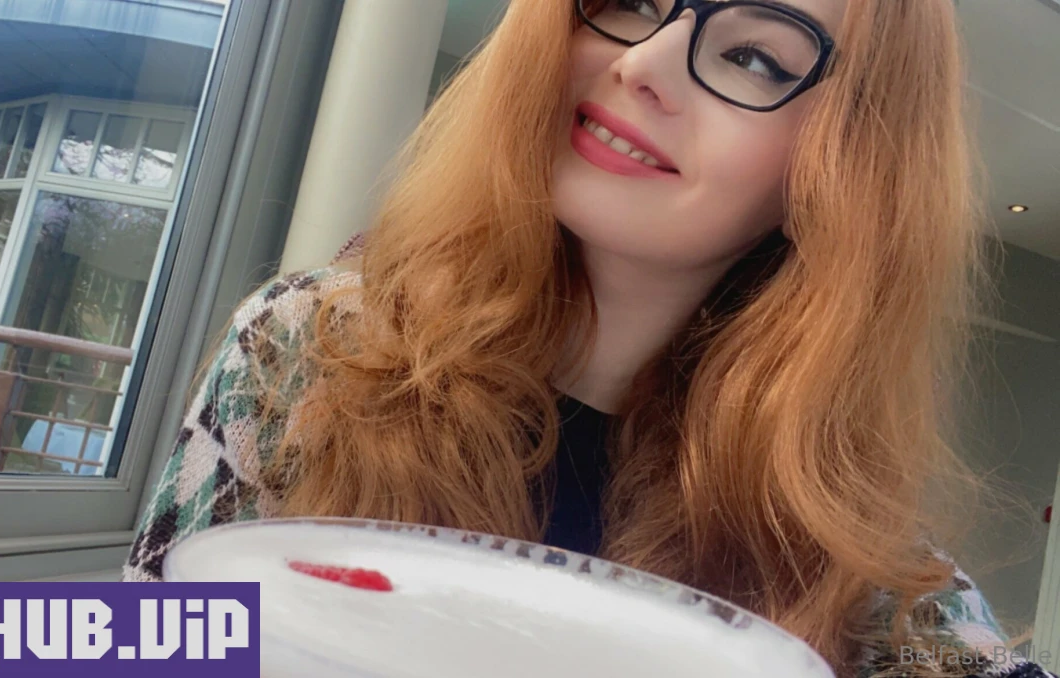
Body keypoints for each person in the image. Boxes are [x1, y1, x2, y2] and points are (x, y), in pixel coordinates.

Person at [125, 0, 1052, 676]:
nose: (644, 60)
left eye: (754, 58)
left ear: (842, 167)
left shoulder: (834, 538)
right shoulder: (306, 348)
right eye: (633, 0)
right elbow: (142, 644)